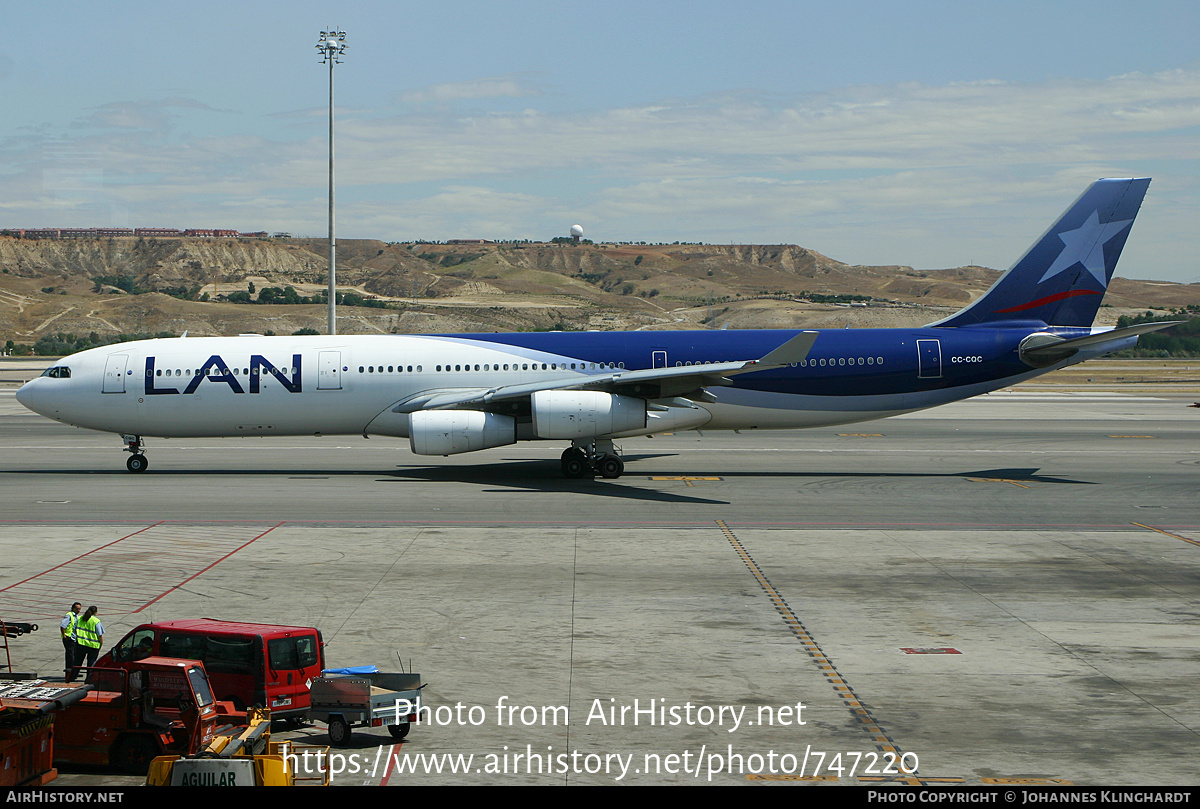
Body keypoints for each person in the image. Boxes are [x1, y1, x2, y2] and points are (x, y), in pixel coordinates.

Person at [73, 605, 105, 675]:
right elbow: (100, 635)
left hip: (81, 643)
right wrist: (101, 644)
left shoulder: (80, 618)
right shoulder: (96, 621)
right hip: (93, 645)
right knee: (91, 663)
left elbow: (74, 629)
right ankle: (89, 677)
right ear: (95, 612)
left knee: (77, 661)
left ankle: (73, 676)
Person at [60, 602, 81, 682]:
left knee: (74, 655)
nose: (78, 610)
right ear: (73, 608)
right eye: (77, 609)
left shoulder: (76, 616)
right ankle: (69, 673)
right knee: (70, 656)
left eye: (79, 609)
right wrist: (64, 635)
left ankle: (73, 672)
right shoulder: (69, 615)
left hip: (73, 638)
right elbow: (62, 625)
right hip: (69, 638)